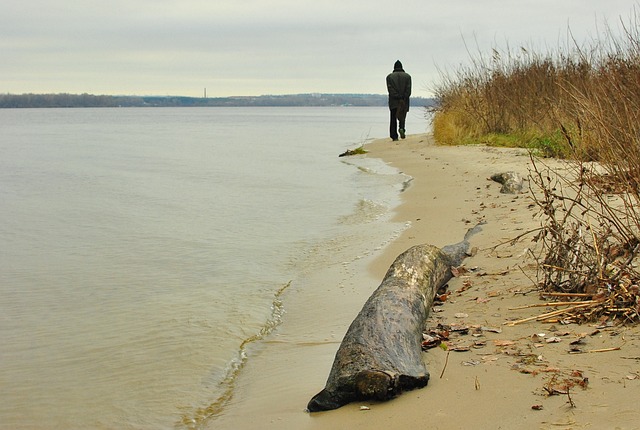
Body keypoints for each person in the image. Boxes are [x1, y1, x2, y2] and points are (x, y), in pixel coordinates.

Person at [386, 60, 412, 141]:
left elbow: (390, 90)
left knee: (393, 118)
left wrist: (397, 96)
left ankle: (394, 136)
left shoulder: (389, 77)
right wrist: (403, 97)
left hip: (393, 102)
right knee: (402, 116)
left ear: (394, 67)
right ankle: (402, 128)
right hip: (404, 101)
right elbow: (408, 90)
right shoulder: (408, 77)